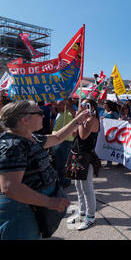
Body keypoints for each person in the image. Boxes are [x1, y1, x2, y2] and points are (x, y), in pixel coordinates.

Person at [0, 100, 89, 239]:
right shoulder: (13, 145)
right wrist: (49, 202)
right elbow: (10, 187)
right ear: (24, 119)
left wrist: (77, 120)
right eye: (39, 113)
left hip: (31, 207)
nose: (43, 115)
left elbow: (57, 137)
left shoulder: (30, 137)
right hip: (20, 212)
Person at [65, 98, 101, 231]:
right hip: (77, 156)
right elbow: (75, 134)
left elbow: (83, 135)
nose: (82, 107)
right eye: (81, 105)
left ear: (92, 108)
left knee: (87, 187)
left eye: (86, 105)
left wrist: (79, 120)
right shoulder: (84, 120)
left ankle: (90, 217)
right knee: (78, 186)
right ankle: (82, 212)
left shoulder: (93, 120)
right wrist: (76, 120)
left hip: (87, 157)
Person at [52, 100, 76, 189]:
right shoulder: (60, 113)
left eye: (60, 105)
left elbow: (75, 115)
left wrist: (68, 105)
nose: (58, 107)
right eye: (57, 105)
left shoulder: (69, 112)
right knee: (58, 163)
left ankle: (65, 182)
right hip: (56, 141)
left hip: (65, 141)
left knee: (63, 163)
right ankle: (61, 180)